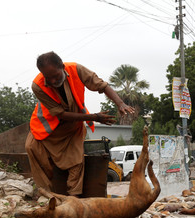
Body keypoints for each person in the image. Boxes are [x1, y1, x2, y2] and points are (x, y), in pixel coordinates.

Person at [25, 51, 134, 196]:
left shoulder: (76, 70)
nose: (52, 81)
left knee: (76, 161)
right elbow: (61, 114)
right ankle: (46, 196)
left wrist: (120, 103)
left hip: (72, 127)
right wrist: (94, 117)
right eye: (48, 78)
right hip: (47, 129)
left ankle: (73, 199)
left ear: (62, 67)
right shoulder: (37, 86)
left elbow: (102, 85)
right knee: (31, 147)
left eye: (55, 76)